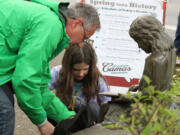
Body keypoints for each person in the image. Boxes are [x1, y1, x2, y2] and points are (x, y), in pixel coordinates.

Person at [0, 0, 100, 135]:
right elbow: (25, 80)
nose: (82, 44)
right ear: (76, 23)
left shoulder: (51, 22)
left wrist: (67, 117)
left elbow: (40, 86)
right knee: (4, 112)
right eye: (85, 38)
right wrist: (42, 123)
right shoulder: (51, 26)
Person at [49, 42, 111, 124]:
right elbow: (41, 90)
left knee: (93, 107)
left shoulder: (97, 79)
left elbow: (107, 105)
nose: (81, 74)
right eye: (76, 69)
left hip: (86, 119)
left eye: (85, 69)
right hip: (63, 116)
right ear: (68, 66)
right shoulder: (57, 72)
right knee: (51, 103)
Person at [129, 15, 176, 92]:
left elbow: (152, 95)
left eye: (138, 41)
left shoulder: (154, 61)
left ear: (147, 38)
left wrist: (127, 98)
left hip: (152, 103)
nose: (139, 46)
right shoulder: (171, 52)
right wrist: (140, 86)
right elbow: (160, 85)